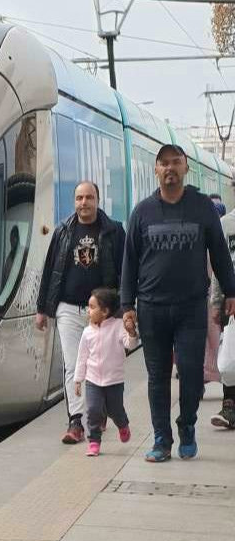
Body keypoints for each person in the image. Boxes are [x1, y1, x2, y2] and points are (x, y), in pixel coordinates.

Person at [121, 143, 235, 462]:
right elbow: (129, 262)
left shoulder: (202, 208)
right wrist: (127, 306)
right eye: (164, 164)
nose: (170, 168)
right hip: (152, 308)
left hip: (190, 308)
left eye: (176, 162)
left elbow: (220, 254)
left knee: (190, 373)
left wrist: (231, 292)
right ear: (155, 170)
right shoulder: (142, 212)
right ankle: (161, 439)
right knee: (157, 378)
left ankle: (187, 425)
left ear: (185, 168)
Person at [36, 181, 126, 444]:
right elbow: (50, 270)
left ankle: (100, 410)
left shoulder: (113, 231)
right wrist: (43, 309)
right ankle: (76, 421)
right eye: (78, 198)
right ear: (74, 201)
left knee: (104, 364)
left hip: (103, 313)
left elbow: (124, 271)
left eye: (88, 197)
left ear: (97, 200)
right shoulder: (63, 230)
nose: (83, 203)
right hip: (68, 308)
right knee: (74, 365)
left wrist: (126, 307)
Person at [74, 287, 139, 456]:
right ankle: (94, 441)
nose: (89, 310)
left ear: (105, 311)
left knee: (115, 410)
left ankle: (123, 425)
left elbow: (130, 345)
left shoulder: (118, 326)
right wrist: (78, 379)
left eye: (92, 307)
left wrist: (132, 332)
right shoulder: (87, 332)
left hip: (114, 380)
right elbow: (82, 357)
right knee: (94, 410)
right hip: (93, 380)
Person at [210, 200, 235, 429]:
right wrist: (217, 301)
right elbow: (220, 265)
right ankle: (229, 406)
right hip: (232, 302)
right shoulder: (225, 225)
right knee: (230, 355)